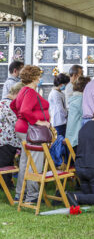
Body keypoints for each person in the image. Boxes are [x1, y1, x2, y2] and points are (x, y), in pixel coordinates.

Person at [11, 65, 51, 203]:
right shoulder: (31, 92)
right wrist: (38, 121)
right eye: (39, 75)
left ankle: (19, 195)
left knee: (24, 163)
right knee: (35, 164)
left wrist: (21, 120)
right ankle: (31, 197)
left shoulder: (23, 90)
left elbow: (14, 106)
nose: (40, 78)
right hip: (32, 132)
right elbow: (25, 110)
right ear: (34, 77)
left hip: (22, 129)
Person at [0, 82, 23, 189]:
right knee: (5, 164)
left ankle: (6, 185)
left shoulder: (4, 102)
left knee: (7, 162)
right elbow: (15, 121)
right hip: (6, 140)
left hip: (6, 139)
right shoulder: (7, 104)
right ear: (17, 93)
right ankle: (6, 186)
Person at [66, 76, 90, 148]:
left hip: (71, 136)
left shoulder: (74, 98)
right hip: (76, 138)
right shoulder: (81, 100)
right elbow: (88, 115)